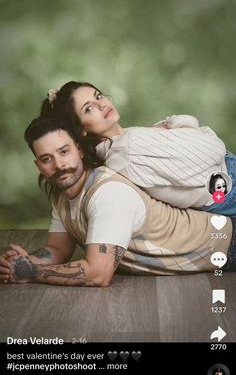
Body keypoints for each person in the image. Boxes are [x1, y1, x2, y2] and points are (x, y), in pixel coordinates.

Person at [0, 117, 235, 286]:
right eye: (47, 158)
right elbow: (57, 249)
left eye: (64, 152)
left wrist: (32, 272)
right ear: (38, 166)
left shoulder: (107, 193)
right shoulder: (62, 193)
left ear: (80, 150)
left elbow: (98, 274)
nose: (59, 164)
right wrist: (22, 262)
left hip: (225, 244)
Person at [38, 81, 236, 216]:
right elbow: (215, 148)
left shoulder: (119, 146)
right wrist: (182, 125)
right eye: (88, 109)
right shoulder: (130, 147)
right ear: (81, 130)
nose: (101, 104)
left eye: (98, 96)